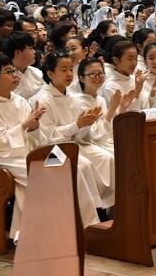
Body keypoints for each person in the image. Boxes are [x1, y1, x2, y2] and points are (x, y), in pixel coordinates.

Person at [0, 54, 46, 239]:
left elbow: (31, 135)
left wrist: (34, 125)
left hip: (21, 153)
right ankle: (34, 232)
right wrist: (25, 124)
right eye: (8, 72)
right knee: (37, 175)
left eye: (14, 70)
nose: (15, 75)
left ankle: (27, 233)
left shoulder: (19, 100)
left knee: (56, 166)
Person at [30, 53, 106, 224]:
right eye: (63, 70)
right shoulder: (44, 100)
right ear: (50, 74)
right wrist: (76, 125)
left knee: (96, 161)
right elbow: (46, 137)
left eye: (71, 69)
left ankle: (97, 212)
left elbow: (78, 134)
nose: (69, 74)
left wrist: (86, 123)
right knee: (81, 165)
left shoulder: (71, 96)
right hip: (49, 151)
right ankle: (84, 220)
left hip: (70, 145)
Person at [101, 39, 149, 111]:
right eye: (130, 59)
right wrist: (137, 91)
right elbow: (118, 115)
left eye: (136, 58)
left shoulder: (136, 80)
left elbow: (147, 108)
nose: (134, 63)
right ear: (116, 60)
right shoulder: (110, 86)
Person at [3, 32, 44, 101]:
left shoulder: (37, 73)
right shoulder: (3, 77)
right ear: (18, 52)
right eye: (30, 48)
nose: (34, 52)